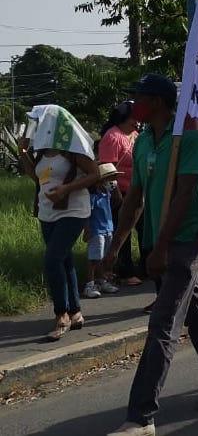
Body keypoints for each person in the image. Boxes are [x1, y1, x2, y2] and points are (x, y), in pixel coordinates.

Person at [104, 74, 198, 436]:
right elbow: (135, 198)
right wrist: (115, 248)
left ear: (159, 103)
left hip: (187, 237)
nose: (135, 104)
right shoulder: (144, 140)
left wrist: (162, 247)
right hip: (157, 240)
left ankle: (141, 417)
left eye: (141, 97)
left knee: (163, 321)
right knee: (194, 313)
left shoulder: (190, 141)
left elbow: (184, 195)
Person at [17, 105, 101, 341]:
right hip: (47, 212)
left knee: (52, 259)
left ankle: (61, 314)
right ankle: (75, 312)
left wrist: (66, 189)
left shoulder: (73, 150)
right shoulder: (42, 151)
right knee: (64, 260)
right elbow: (37, 177)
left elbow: (95, 174)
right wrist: (23, 152)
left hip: (73, 211)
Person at [98, 101, 142, 285]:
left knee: (143, 230)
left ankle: (145, 267)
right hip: (120, 193)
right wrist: (116, 193)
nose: (138, 121)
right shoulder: (112, 136)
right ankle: (124, 271)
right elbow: (107, 168)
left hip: (138, 191)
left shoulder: (136, 135)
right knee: (122, 232)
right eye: (135, 117)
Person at [84, 164, 122, 299]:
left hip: (108, 228)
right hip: (96, 230)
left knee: (104, 257)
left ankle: (102, 280)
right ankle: (89, 284)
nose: (113, 182)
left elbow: (118, 200)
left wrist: (116, 188)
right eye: (110, 179)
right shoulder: (93, 196)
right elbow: (87, 213)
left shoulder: (107, 194)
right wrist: (87, 230)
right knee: (94, 258)